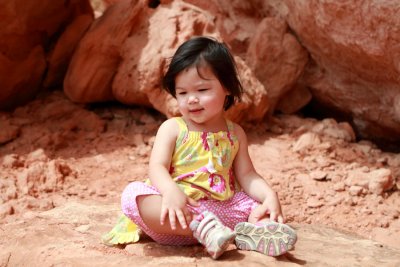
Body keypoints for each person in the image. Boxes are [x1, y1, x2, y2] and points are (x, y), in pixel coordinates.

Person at [107, 36, 297, 260]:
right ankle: (206, 228)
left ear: (227, 87)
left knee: (252, 204)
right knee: (132, 195)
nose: (192, 100)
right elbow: (157, 167)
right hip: (177, 214)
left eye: (202, 89)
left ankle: (258, 232)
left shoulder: (235, 134)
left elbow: (247, 175)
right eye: (183, 93)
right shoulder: (172, 128)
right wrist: (170, 192)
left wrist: (268, 195)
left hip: (220, 212)